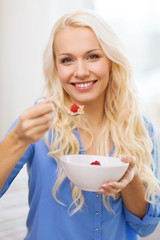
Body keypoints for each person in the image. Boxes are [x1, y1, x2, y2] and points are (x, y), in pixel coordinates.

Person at [0, 9, 160, 240]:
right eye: (67, 60)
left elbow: (145, 227)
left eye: (93, 56)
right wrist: (17, 139)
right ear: (56, 67)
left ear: (112, 60)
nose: (81, 71)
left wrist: (130, 180)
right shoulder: (36, 123)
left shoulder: (140, 127)